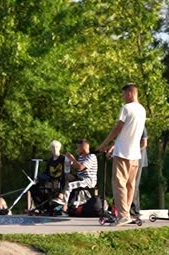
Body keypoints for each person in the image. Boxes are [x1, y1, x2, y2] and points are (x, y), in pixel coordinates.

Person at [97, 83, 147, 226]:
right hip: (135, 154)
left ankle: (123, 215)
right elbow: (130, 132)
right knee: (130, 185)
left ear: (130, 93)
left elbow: (118, 129)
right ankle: (128, 213)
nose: (123, 97)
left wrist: (104, 144)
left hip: (122, 153)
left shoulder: (126, 108)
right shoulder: (142, 110)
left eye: (124, 94)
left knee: (119, 183)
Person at [57, 139, 98, 213]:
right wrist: (71, 163)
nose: (77, 149)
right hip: (80, 178)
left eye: (78, 147)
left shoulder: (91, 156)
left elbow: (81, 167)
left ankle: (64, 206)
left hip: (88, 180)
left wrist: (72, 158)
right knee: (65, 176)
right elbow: (77, 168)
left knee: (70, 185)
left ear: (83, 147)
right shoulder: (81, 157)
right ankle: (61, 194)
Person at [132, 126, 148, 215]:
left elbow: (144, 144)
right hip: (130, 158)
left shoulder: (141, 126)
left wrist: (133, 151)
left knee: (134, 184)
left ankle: (135, 209)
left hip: (137, 159)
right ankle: (129, 209)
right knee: (129, 184)